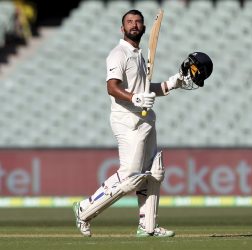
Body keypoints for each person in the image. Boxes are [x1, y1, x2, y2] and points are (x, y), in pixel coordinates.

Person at [73, 9, 183, 238]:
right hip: (126, 120)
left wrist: (172, 83)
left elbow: (146, 90)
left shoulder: (139, 55)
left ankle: (148, 227)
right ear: (122, 28)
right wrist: (134, 98)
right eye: (129, 22)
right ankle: (84, 209)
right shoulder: (118, 53)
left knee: (154, 171)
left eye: (138, 22)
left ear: (143, 28)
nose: (134, 25)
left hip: (146, 119)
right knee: (131, 176)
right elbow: (112, 87)